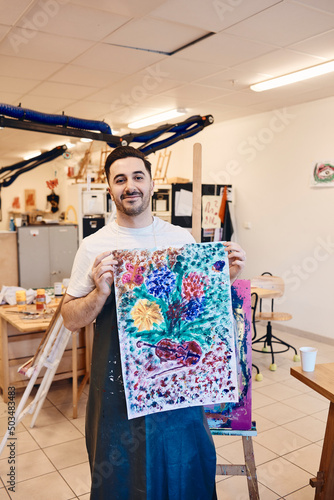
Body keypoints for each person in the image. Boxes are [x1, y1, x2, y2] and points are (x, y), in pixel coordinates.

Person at [61, 146, 246, 500]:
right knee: (121, 477)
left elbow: (202, 313)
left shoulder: (182, 240)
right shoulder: (93, 246)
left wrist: (225, 278)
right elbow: (70, 319)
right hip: (118, 392)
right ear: (110, 188)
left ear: (151, 183)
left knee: (183, 469)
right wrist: (99, 293)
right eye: (120, 179)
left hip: (179, 387)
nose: (130, 186)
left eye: (137, 177)